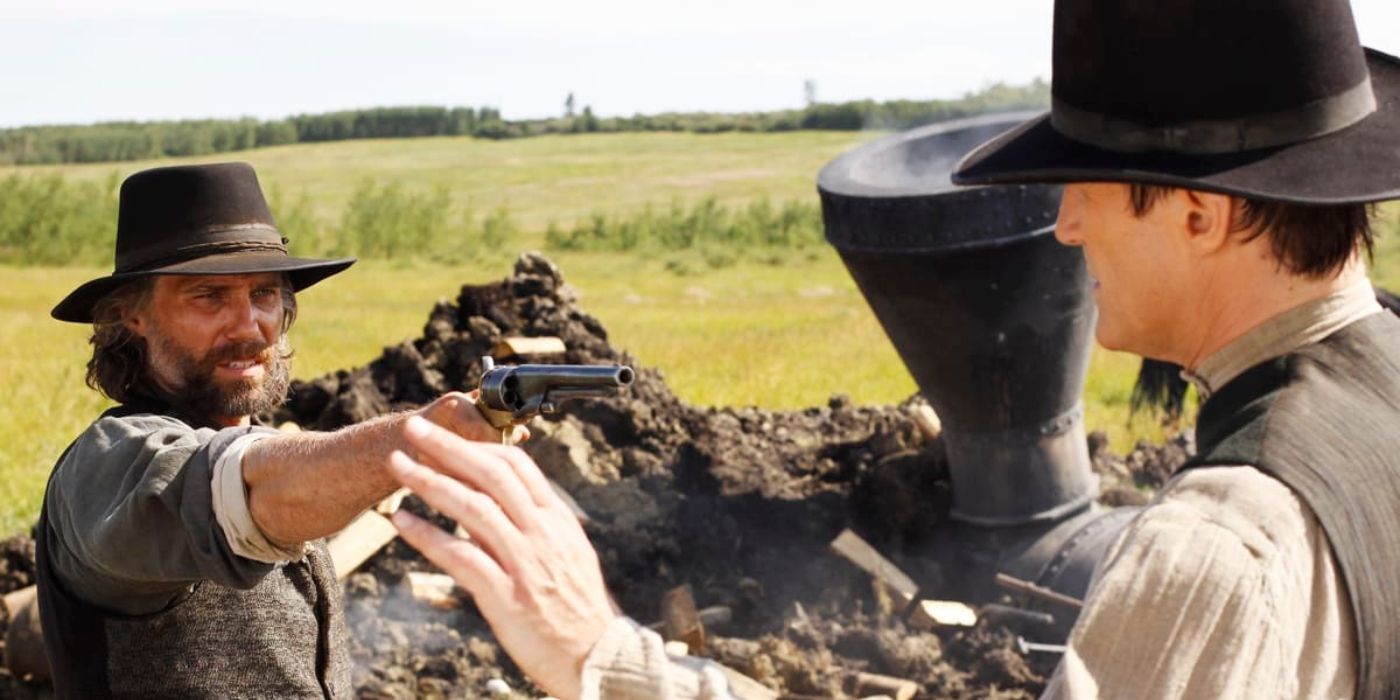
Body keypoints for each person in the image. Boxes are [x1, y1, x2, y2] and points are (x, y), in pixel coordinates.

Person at [383, 0, 1400, 698]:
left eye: (1086, 188)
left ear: (1196, 213)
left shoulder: (1225, 546)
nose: (1064, 230)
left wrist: (602, 657)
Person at [37, 162, 509, 699]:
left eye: (263, 294)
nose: (248, 327)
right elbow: (246, 487)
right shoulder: (111, 462)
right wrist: (426, 433)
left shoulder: (255, 438)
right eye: (207, 297)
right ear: (131, 317)